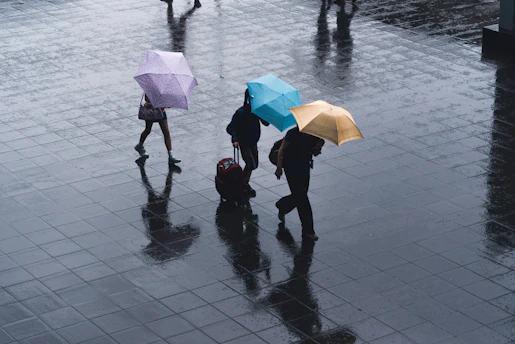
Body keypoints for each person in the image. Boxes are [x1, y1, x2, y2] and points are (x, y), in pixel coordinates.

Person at [274, 127, 325, 241]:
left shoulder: (314, 135)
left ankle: (282, 205)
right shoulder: (292, 133)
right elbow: (281, 150)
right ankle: (308, 230)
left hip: (304, 169)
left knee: (300, 196)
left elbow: (314, 153)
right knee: (302, 199)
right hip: (291, 169)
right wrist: (279, 167)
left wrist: (318, 146)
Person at [226, 89, 269, 197]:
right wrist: (235, 139)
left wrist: (264, 113)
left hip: (253, 141)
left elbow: (266, 123)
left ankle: (244, 182)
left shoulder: (256, 111)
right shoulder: (241, 113)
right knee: (251, 164)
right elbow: (231, 127)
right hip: (244, 143)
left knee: (254, 165)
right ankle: (242, 183)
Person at [134, 94, 181, 165]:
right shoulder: (150, 88)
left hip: (161, 112)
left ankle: (170, 154)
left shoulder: (163, 90)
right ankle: (140, 146)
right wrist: (150, 103)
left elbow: (166, 101)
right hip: (151, 112)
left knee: (166, 132)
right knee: (148, 130)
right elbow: (147, 100)